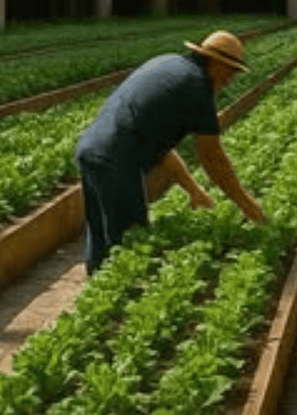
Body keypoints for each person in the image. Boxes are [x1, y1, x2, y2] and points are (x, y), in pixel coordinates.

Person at [74, 29, 267, 273]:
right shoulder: (197, 87)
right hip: (116, 159)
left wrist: (194, 190)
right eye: (230, 70)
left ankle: (99, 293)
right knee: (130, 244)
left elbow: (161, 147)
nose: (230, 78)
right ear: (214, 62)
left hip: (91, 148)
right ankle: (123, 301)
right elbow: (212, 157)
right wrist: (247, 206)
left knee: (102, 238)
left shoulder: (169, 63)